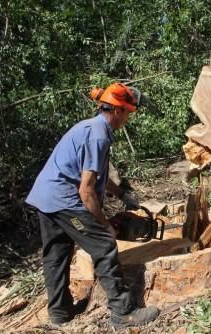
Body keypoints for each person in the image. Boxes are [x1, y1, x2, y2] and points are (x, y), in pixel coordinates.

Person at [26, 82, 158, 329]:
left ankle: (59, 311)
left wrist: (121, 194)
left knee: (56, 255)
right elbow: (86, 190)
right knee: (104, 245)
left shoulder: (91, 128)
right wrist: (104, 224)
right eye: (128, 112)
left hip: (46, 198)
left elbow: (97, 174)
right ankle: (123, 312)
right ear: (117, 110)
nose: (128, 118)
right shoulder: (99, 135)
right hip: (65, 199)